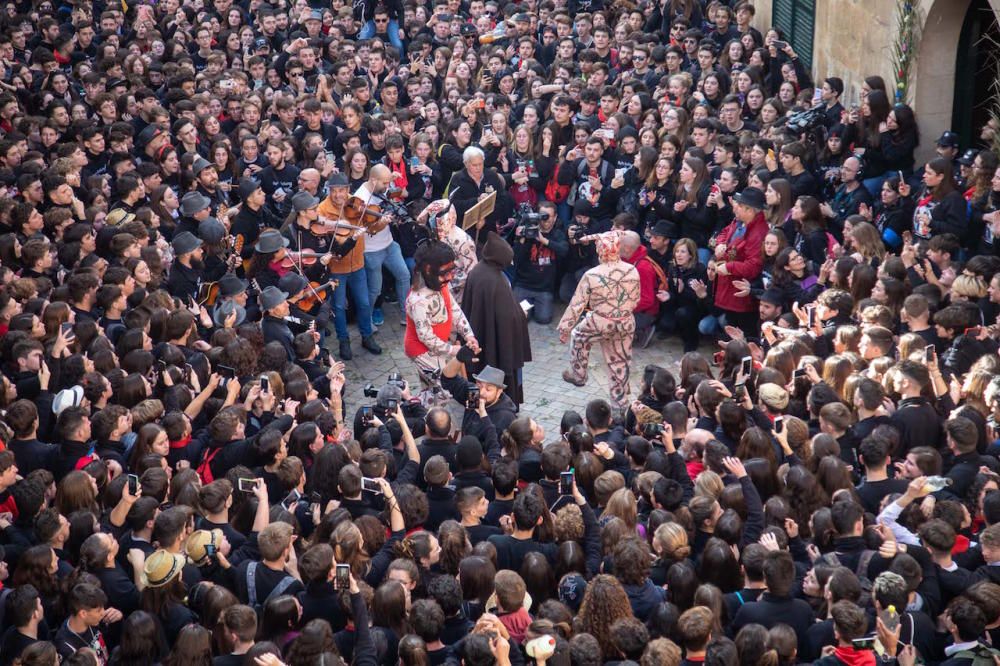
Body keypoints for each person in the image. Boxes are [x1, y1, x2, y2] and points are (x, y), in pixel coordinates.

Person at [558, 231, 640, 409]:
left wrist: (565, 327)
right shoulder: (632, 270)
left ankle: (578, 374)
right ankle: (620, 402)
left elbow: (577, 304)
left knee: (578, 336)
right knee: (620, 359)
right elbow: (636, 299)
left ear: (601, 250)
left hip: (601, 321)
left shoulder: (592, 274)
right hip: (626, 321)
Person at [461, 232, 532, 405]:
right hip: (497, 344)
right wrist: (521, 314)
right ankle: (504, 404)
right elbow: (508, 317)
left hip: (479, 336)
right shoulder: (496, 280)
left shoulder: (478, 271)